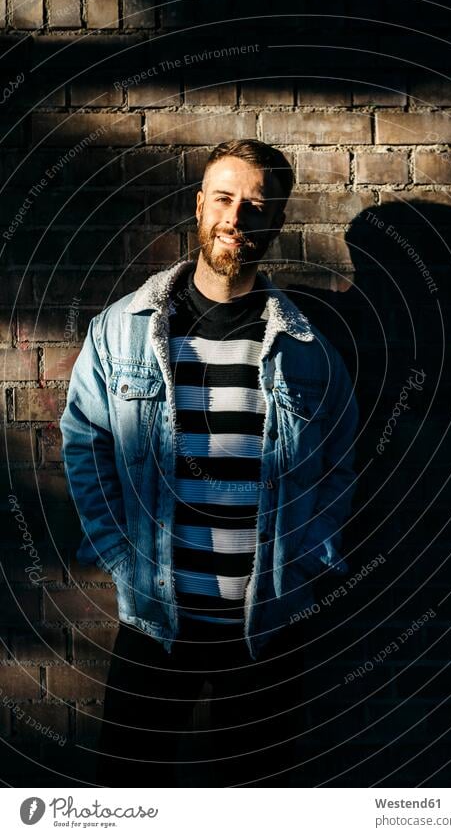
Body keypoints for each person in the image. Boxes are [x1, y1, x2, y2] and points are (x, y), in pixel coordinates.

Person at [60, 138, 359, 787]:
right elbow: (84, 443)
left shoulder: (307, 351)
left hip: (266, 634)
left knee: (253, 802)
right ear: (199, 204)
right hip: (155, 622)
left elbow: (339, 466)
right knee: (129, 796)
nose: (236, 217)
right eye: (223, 197)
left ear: (274, 222)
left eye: (255, 205)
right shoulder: (121, 332)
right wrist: (120, 552)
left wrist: (305, 563)